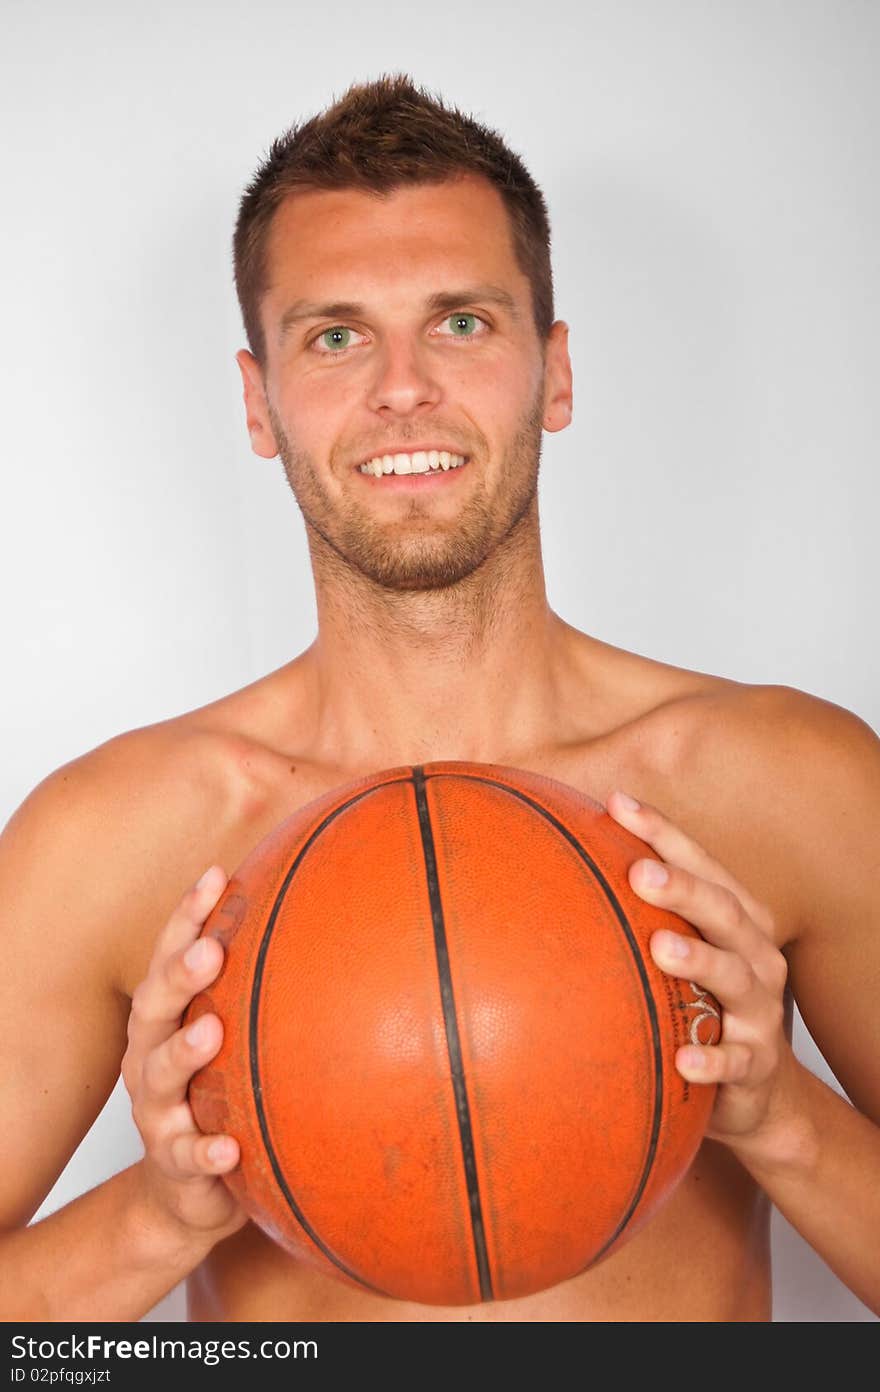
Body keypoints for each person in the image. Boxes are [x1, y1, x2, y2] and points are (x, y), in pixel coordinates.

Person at [1, 72, 878, 1324]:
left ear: (554, 373)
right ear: (259, 402)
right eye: (336, 334)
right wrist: (163, 1210)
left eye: (461, 322)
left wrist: (782, 1118)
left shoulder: (781, 782)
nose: (401, 386)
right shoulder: (112, 839)